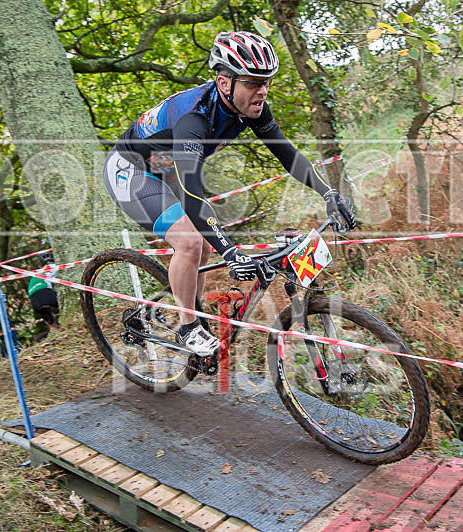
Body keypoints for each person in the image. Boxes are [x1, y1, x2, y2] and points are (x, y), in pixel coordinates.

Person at [104, 31, 355, 357]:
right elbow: (192, 196)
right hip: (131, 171)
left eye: (266, 82)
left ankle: (189, 312)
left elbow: (289, 157)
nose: (262, 90)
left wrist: (329, 193)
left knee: (202, 248)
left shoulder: (251, 106)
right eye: (253, 82)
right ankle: (187, 327)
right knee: (192, 241)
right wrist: (231, 252)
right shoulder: (193, 118)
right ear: (225, 83)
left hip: (164, 166)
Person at [27, 251, 60, 331]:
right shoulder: (52, 267)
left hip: (34, 300)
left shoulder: (38, 272)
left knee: (50, 321)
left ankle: (54, 331)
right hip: (44, 292)